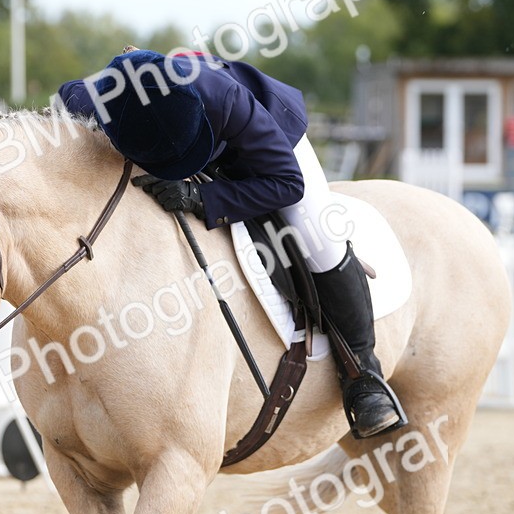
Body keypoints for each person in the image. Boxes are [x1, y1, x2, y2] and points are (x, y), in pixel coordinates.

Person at [58, 49, 404, 439]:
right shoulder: (88, 99)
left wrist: (200, 199)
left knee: (317, 235)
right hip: (168, 131)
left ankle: (364, 373)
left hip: (270, 147)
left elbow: (288, 184)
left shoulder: (227, 99)